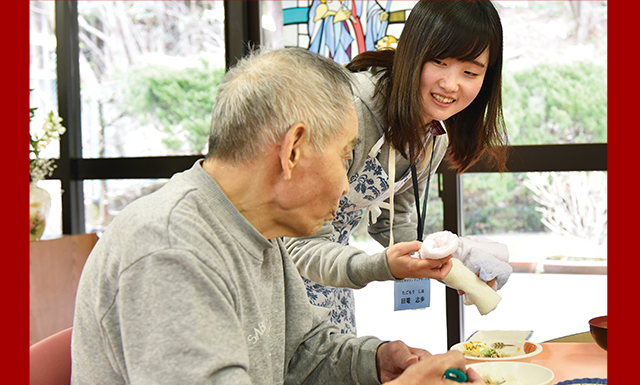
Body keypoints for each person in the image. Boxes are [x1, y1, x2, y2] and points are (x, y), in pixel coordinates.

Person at [70, 47, 485, 384]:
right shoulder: (169, 248)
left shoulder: (260, 231)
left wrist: (376, 360)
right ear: (293, 151)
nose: (346, 188)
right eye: (345, 157)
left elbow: (304, 350)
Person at [285, 0, 512, 334]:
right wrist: (380, 266)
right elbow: (298, 244)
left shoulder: (434, 137)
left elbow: (392, 221)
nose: (450, 85)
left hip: (331, 272)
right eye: (439, 62)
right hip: (280, 270)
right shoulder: (350, 110)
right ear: (411, 52)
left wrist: (454, 257)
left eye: (470, 72)